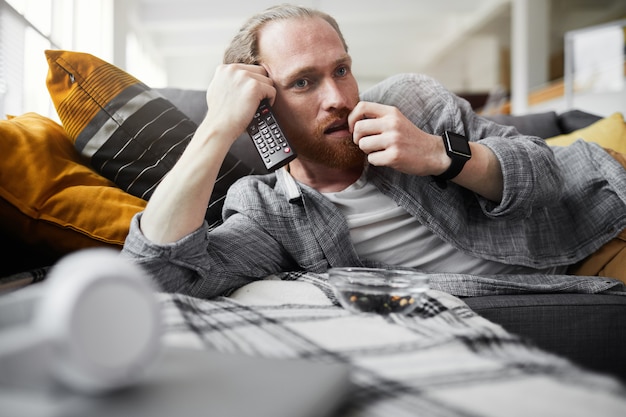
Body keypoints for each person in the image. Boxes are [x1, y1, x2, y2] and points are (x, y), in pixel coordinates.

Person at [122, 4, 626, 298]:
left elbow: (544, 172)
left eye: (341, 70)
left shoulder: (410, 101)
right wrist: (215, 126)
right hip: (548, 296)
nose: (339, 99)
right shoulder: (269, 211)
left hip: (597, 223)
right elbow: (156, 278)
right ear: (261, 108)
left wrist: (439, 154)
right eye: (304, 82)